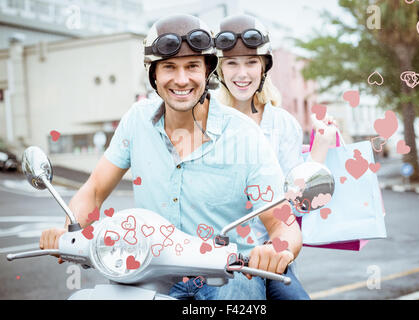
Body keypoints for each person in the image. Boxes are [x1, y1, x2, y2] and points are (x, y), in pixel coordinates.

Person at [39, 14, 302, 300]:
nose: (181, 79)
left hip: (228, 274)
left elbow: (282, 222)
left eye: (192, 66)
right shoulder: (136, 121)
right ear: (154, 75)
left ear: (207, 71)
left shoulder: (245, 134)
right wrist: (67, 231)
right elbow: (95, 189)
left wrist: (278, 249)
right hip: (150, 269)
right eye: (169, 67)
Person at [214, 14, 338, 299]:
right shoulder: (206, 121)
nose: (241, 73)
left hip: (266, 254)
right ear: (220, 70)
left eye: (251, 62)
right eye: (232, 63)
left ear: (264, 67)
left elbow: (294, 199)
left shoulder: (284, 125)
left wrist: (320, 148)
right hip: (214, 257)